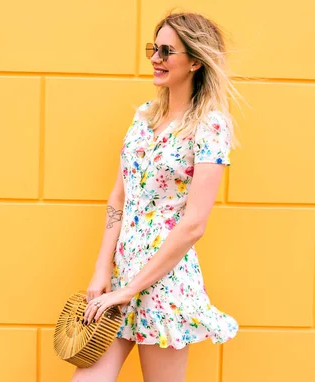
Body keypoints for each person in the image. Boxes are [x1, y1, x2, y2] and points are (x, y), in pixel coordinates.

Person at [73, 11, 239, 382]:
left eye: (167, 51)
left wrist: (130, 290)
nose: (155, 58)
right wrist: (103, 271)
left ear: (195, 61)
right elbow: (118, 198)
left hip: (165, 282)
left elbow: (194, 224)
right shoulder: (144, 116)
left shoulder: (210, 125)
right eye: (154, 48)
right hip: (121, 274)